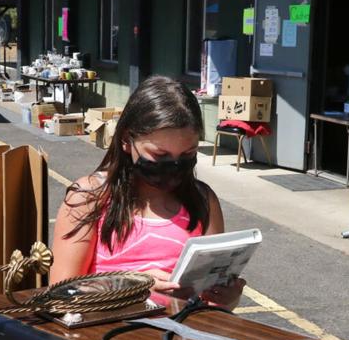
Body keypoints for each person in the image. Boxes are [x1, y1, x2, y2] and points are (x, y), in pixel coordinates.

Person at [51, 75, 245, 309]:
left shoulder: (203, 201)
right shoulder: (90, 197)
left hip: (183, 338)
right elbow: (61, 293)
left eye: (187, 155)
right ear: (126, 140)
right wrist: (130, 285)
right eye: (159, 155)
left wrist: (227, 299)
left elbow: (211, 301)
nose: (174, 166)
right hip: (105, 338)